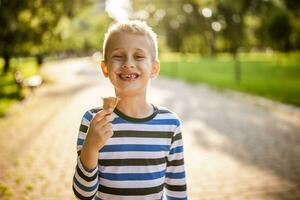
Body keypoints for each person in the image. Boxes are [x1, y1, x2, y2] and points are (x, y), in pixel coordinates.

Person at [72, 20, 187, 200]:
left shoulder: (170, 124)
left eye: (139, 57)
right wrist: (91, 147)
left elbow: (177, 190)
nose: (128, 63)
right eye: (118, 56)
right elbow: (83, 194)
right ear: (105, 68)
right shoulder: (93, 120)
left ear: (154, 69)